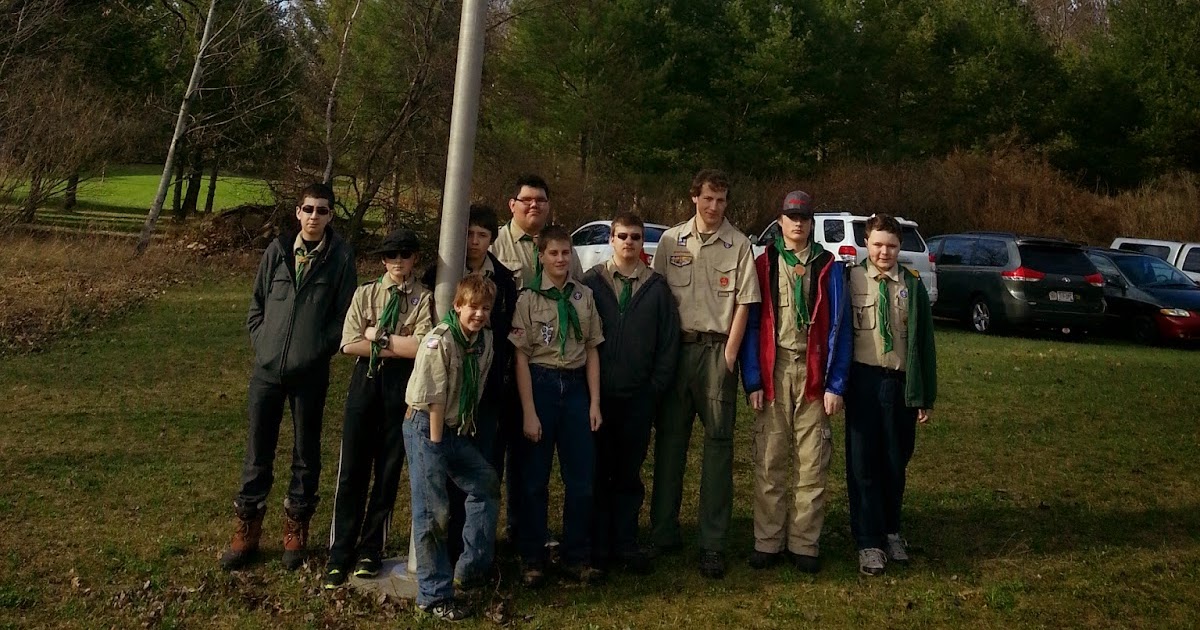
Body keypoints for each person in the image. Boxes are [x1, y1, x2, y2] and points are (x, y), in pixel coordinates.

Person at [221, 183, 357, 571]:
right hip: (267, 370)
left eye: (323, 211)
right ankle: (247, 529)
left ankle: (296, 529)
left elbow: (344, 316)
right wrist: (264, 344)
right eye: (309, 209)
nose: (315, 217)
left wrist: (317, 350)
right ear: (298, 212)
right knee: (257, 451)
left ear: (331, 217)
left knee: (305, 452)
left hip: (310, 374)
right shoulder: (278, 252)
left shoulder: (340, 258)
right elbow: (257, 304)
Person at [649, 169, 761, 579]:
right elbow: (657, 298)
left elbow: (745, 303)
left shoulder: (740, 244)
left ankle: (712, 542)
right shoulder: (670, 240)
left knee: (717, 446)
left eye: (722, 200)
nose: (714, 207)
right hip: (676, 352)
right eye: (708, 198)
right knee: (670, 443)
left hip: (717, 353)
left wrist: (730, 355)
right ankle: (662, 532)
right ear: (694, 197)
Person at [739, 191, 852, 574]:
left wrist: (836, 384)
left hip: (813, 372)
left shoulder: (828, 265)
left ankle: (804, 543)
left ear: (811, 223)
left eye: (804, 217)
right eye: (791, 217)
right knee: (769, 458)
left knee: (811, 461)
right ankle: (767, 541)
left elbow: (841, 326)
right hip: (775, 368)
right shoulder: (764, 263)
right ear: (780, 222)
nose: (797, 224)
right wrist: (752, 378)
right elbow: (752, 325)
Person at [323, 228, 435, 589]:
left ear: (414, 258)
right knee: (352, 469)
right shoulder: (366, 293)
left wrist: (377, 336)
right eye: (391, 256)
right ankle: (340, 553)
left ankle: (372, 549)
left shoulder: (423, 298)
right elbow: (349, 344)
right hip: (365, 383)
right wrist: (391, 344)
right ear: (383, 261)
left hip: (401, 386)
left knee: (387, 471)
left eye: (404, 255)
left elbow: (421, 346)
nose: (398, 263)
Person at [580, 212, 680, 575]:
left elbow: (669, 343)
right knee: (597, 470)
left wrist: (654, 389)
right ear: (611, 238)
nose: (628, 243)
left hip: (638, 398)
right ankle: (596, 544)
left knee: (628, 472)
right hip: (598, 397)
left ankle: (625, 541)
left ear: (642, 243)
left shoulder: (656, 288)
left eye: (636, 237)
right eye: (622, 236)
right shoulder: (591, 282)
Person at [421, 205, 519, 561]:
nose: (475, 241)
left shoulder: (505, 282)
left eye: (482, 235)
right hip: (445, 395)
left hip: (487, 391)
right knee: (445, 470)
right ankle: (444, 547)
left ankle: (476, 551)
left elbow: (507, 336)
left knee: (484, 468)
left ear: (492, 240)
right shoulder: (440, 276)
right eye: (469, 233)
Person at [509, 225, 604, 587]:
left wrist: (595, 402)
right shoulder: (528, 299)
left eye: (566, 253)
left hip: (577, 388)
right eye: (554, 254)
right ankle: (532, 556)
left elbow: (593, 348)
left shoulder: (584, 296)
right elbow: (520, 358)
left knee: (580, 478)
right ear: (542, 257)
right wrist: (529, 411)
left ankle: (575, 554)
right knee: (534, 479)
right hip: (542, 385)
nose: (561, 260)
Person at [844, 213, 937, 576]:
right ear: (866, 242)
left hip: (898, 384)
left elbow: (924, 345)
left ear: (901, 248)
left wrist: (923, 395)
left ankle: (890, 529)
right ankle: (868, 541)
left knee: (895, 462)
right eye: (878, 244)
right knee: (863, 463)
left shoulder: (911, 286)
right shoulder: (849, 279)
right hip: (862, 381)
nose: (884, 252)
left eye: (892, 246)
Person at [404, 275, 500, 622]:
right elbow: (434, 400)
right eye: (472, 307)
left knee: (485, 483)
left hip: (456, 428)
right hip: (427, 428)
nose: (478, 314)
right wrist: (435, 449)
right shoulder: (439, 341)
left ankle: (470, 568)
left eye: (485, 309)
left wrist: (460, 432)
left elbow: (474, 387)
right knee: (433, 512)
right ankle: (433, 595)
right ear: (457, 306)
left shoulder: (484, 341)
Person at [490, 174, 584, 288]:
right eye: (527, 200)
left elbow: (579, 291)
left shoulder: (564, 247)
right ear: (512, 205)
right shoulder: (493, 244)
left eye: (540, 200)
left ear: (548, 206)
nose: (534, 205)